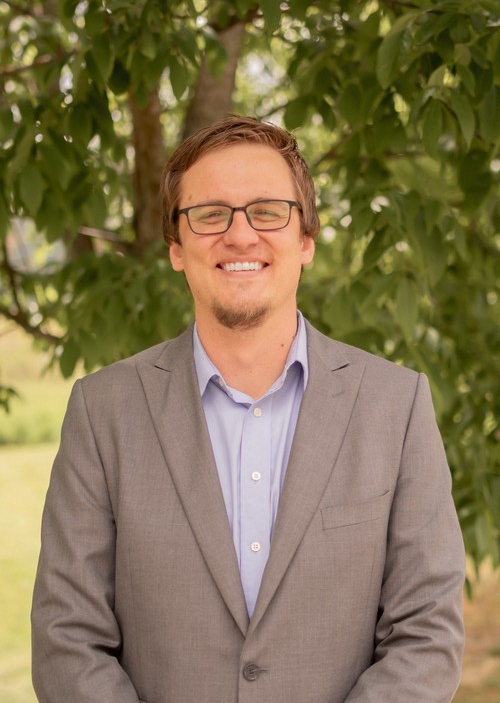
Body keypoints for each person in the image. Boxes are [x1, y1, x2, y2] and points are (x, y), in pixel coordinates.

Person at [31, 115, 465, 703]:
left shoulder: (397, 405)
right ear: (176, 248)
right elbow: (67, 640)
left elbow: (427, 634)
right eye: (210, 214)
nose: (240, 236)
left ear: (306, 240)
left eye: (267, 211)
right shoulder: (102, 412)